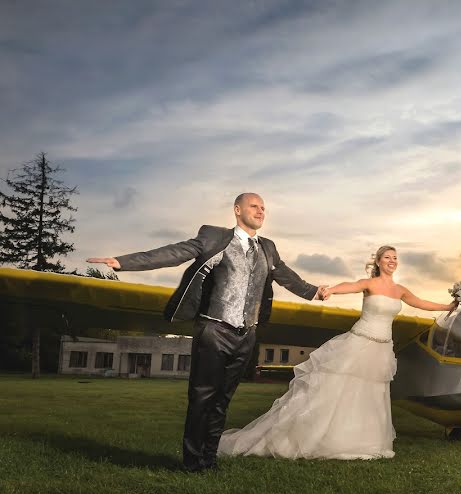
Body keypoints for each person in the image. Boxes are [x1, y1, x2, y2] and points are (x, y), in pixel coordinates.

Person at [87, 193, 327, 472]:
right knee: (202, 397)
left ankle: (209, 459)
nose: (261, 211)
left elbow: (286, 275)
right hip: (214, 329)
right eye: (254, 206)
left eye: (263, 207)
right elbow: (175, 252)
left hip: (246, 334)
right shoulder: (214, 237)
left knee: (222, 400)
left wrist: (313, 291)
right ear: (238, 210)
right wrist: (124, 261)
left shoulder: (268, 248)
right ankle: (192, 462)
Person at [217, 245, 456, 460]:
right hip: (360, 342)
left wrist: (448, 306)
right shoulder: (369, 283)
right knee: (340, 390)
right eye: (387, 257)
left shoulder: (401, 290)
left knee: (371, 394)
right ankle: (320, 437)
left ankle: (364, 441)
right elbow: (349, 286)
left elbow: (421, 303)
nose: (392, 261)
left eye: (395, 257)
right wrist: (330, 290)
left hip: (382, 348)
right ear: (379, 262)